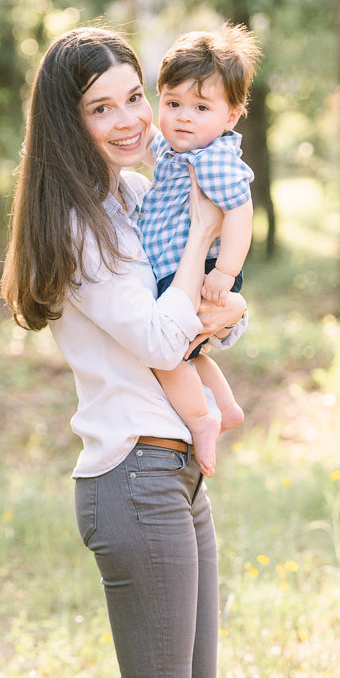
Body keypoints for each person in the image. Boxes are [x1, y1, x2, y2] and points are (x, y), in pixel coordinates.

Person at [0, 27, 253, 678]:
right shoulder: (78, 225)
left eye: (133, 97)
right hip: (132, 476)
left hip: (175, 471)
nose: (130, 119)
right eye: (100, 107)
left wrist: (226, 298)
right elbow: (157, 326)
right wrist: (195, 249)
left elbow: (212, 310)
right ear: (69, 126)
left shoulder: (138, 196)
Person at [140, 24, 261, 478]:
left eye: (200, 107)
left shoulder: (214, 158)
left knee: (166, 356)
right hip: (176, 269)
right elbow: (145, 139)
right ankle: (226, 407)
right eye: (173, 104)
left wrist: (225, 274)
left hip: (196, 270)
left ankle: (202, 420)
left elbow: (240, 212)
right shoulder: (179, 149)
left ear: (231, 115)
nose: (183, 117)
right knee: (189, 353)